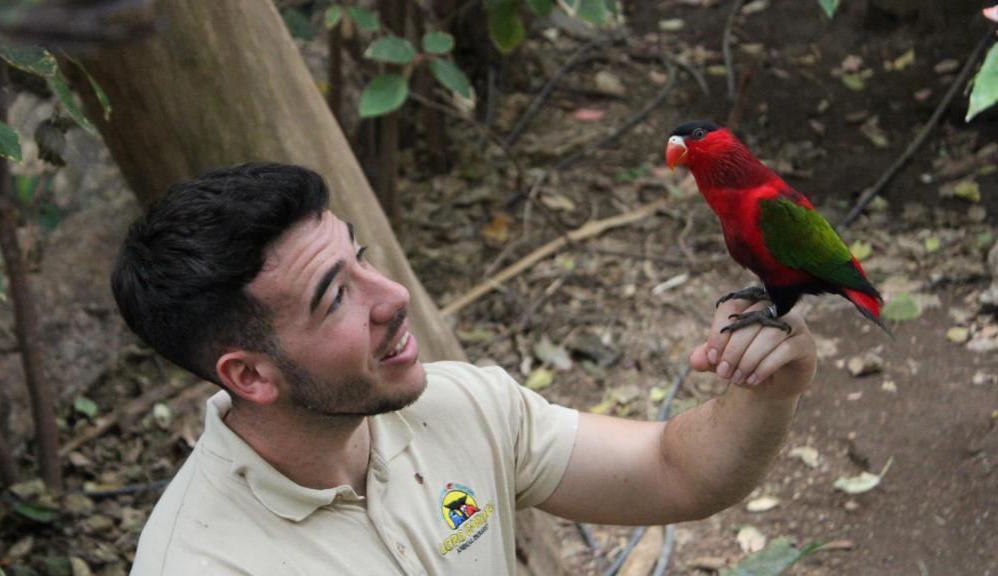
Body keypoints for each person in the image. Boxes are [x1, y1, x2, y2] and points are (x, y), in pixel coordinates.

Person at [114, 163, 817, 575]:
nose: (392, 296)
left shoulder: (455, 404)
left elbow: (673, 470)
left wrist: (764, 387)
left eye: (361, 257)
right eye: (335, 298)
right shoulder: (204, 563)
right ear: (251, 377)